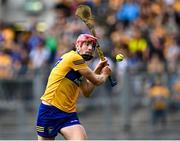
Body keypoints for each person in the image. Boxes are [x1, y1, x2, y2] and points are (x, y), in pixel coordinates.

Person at [36, 33, 112, 140]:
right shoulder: (74, 58)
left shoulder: (79, 66)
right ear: (78, 46)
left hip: (68, 113)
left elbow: (87, 91)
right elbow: (97, 80)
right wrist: (105, 74)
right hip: (50, 110)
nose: (90, 48)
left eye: (92, 46)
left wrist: (98, 69)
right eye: (87, 44)